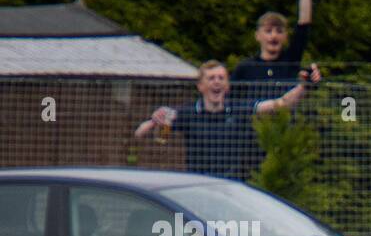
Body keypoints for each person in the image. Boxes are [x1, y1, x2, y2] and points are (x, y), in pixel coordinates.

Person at [134, 60, 321, 181]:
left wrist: (304, 86)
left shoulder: (239, 110)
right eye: (211, 78)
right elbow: (139, 133)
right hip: (197, 187)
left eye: (221, 78)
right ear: (201, 86)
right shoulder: (188, 113)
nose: (216, 82)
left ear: (227, 85)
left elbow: (280, 104)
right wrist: (153, 120)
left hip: (231, 188)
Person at [231, 0, 313, 101]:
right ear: (257, 35)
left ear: (285, 36)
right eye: (268, 31)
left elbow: (303, 24)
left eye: (279, 31)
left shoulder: (290, 60)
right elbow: (231, 102)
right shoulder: (245, 67)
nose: (274, 36)